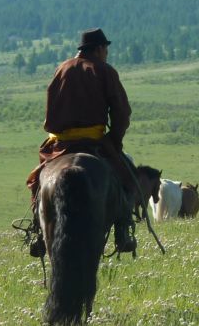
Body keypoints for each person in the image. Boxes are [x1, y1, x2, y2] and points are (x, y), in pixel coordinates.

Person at [25, 28, 138, 255]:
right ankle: (122, 232)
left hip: (60, 144)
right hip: (94, 142)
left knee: (39, 179)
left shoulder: (61, 69)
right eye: (106, 49)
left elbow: (50, 111)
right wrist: (114, 140)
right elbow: (122, 113)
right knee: (127, 176)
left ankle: (38, 228)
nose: (106, 54)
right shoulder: (104, 71)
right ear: (99, 49)